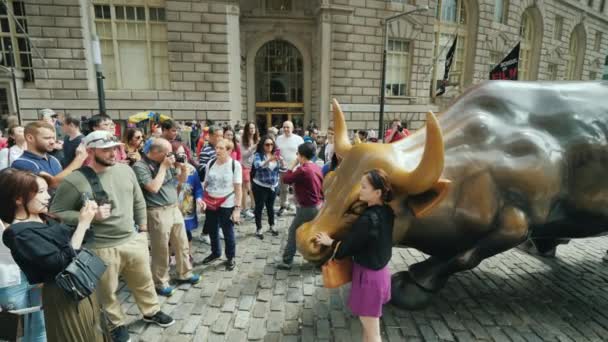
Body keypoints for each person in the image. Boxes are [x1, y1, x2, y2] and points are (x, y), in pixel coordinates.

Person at [50, 130, 174, 342]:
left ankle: (151, 310)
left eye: (115, 148)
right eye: (106, 150)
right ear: (90, 151)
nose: (113, 153)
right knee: (106, 292)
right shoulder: (75, 180)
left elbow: (138, 200)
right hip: (99, 247)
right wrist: (87, 215)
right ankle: (116, 324)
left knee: (143, 281)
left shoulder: (126, 171)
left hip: (133, 240)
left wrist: (143, 230)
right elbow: (56, 211)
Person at [0, 169, 107, 342]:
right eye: (40, 192)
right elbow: (59, 263)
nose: (48, 197)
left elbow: (72, 239)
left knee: (91, 331)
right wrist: (82, 224)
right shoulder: (17, 233)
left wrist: (88, 220)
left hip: (80, 284)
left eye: (46, 191)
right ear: (18, 198)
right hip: (63, 292)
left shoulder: (43, 217)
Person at [315, 169, 394, 342]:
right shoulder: (388, 212)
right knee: (369, 328)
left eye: (364, 187)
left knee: (373, 334)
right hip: (380, 274)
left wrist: (331, 242)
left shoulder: (367, 219)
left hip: (368, 279)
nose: (360, 190)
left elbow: (347, 247)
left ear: (377, 192)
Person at [133, 138, 201, 297]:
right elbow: (153, 188)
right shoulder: (140, 166)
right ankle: (160, 282)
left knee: (182, 243)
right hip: (157, 211)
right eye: (167, 152)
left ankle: (185, 273)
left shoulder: (166, 163)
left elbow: (179, 183)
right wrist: (164, 167)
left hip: (173, 208)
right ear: (156, 152)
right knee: (161, 249)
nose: (170, 155)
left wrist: (183, 170)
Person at [0, 204, 46, 342]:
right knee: (14, 334)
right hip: (9, 282)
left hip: (37, 277)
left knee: (41, 326)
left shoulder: (35, 211)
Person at [278, 142, 323, 269]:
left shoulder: (303, 169)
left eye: (297, 154)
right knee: (314, 233)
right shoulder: (315, 167)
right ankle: (320, 261)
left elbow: (286, 179)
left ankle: (287, 261)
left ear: (301, 155)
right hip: (317, 205)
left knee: (293, 231)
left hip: (307, 208)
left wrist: (291, 165)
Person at [201, 138, 242, 271]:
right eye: (216, 147)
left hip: (227, 203)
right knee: (212, 230)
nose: (217, 150)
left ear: (229, 150)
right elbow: (205, 183)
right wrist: (201, 199)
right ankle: (215, 252)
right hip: (210, 202)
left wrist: (237, 209)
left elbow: (238, 189)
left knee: (227, 231)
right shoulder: (210, 162)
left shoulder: (234, 165)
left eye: (221, 148)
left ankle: (230, 257)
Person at [11, 121, 86, 189]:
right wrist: (79, 157)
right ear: (30, 138)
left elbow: (65, 183)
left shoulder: (54, 159)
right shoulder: (21, 163)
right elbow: (53, 183)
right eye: (47, 138)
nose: (52, 142)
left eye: (53, 138)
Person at [171, 141, 203, 262]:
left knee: (186, 232)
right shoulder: (168, 169)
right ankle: (173, 253)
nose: (181, 156)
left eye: (183, 153)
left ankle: (188, 253)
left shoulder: (192, 170)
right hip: (172, 207)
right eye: (178, 154)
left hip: (186, 207)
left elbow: (198, 188)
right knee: (171, 233)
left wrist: (199, 198)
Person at [251, 135, 283, 239]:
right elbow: (257, 165)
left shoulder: (275, 155)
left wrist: (281, 161)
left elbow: (281, 169)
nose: (269, 146)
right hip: (260, 185)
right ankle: (259, 228)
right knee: (259, 207)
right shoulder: (258, 155)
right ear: (262, 145)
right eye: (267, 144)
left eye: (271, 144)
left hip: (273, 186)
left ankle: (272, 225)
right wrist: (269, 160)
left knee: (271, 207)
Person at [275, 121, 303, 216]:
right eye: (284, 127)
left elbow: (302, 153)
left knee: (296, 189)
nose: (286, 129)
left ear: (292, 128)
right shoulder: (278, 139)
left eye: (288, 127)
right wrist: (279, 158)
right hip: (283, 168)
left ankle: (297, 207)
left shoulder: (298, 139)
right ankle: (283, 205)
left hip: (295, 168)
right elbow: (276, 152)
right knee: (283, 189)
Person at [239, 121, 259, 219]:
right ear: (247, 129)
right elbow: (244, 154)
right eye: (250, 128)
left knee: (252, 188)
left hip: (254, 166)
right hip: (245, 166)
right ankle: (244, 209)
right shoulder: (243, 140)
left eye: (253, 128)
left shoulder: (256, 139)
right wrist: (253, 147)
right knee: (246, 188)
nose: (252, 130)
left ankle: (253, 206)